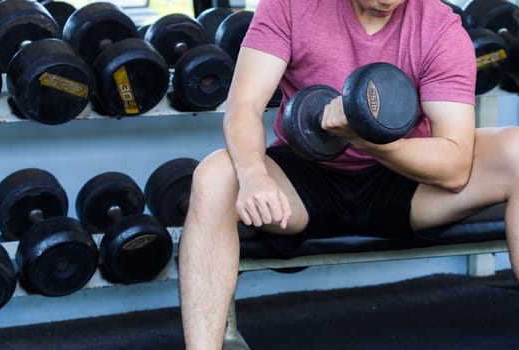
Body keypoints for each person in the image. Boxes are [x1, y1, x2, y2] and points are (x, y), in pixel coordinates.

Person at [178, 0, 519, 348]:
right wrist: (254, 175)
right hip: (305, 177)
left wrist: (363, 139)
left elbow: (455, 167)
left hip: (406, 177)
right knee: (215, 175)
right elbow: (244, 105)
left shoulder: (440, 28)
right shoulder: (290, 6)